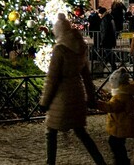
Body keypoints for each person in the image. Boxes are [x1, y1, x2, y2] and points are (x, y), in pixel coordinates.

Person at [39, 14, 107, 165]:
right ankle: (100, 161)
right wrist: (90, 97)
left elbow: (52, 78)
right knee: (81, 132)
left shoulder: (60, 49)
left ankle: (50, 162)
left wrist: (44, 101)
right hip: (77, 93)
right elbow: (87, 76)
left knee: (51, 131)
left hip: (61, 97)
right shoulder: (80, 46)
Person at [96, 67, 134, 165]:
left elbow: (111, 107)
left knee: (115, 144)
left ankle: (122, 162)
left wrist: (97, 104)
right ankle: (121, 161)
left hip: (120, 125)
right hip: (123, 124)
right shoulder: (124, 92)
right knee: (119, 144)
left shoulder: (121, 96)